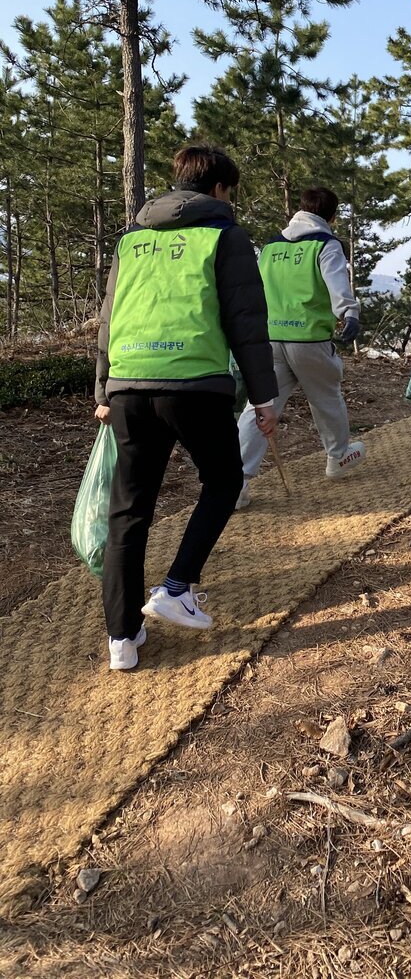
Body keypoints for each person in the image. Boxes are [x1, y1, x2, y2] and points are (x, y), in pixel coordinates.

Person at [94, 144, 278, 672]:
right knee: (223, 481)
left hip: (129, 385)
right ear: (219, 189)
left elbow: (109, 317)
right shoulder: (224, 235)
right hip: (195, 383)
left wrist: (104, 390)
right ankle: (176, 587)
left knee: (128, 513)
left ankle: (122, 640)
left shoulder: (132, 240)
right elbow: (247, 322)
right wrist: (264, 400)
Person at [236, 186, 364, 507]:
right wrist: (349, 314)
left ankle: (234, 483)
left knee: (260, 407)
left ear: (300, 209)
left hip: (269, 339)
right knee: (326, 397)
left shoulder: (270, 247)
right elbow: (337, 286)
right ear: (332, 216)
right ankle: (337, 457)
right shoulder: (326, 245)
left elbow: (254, 288)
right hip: (309, 339)